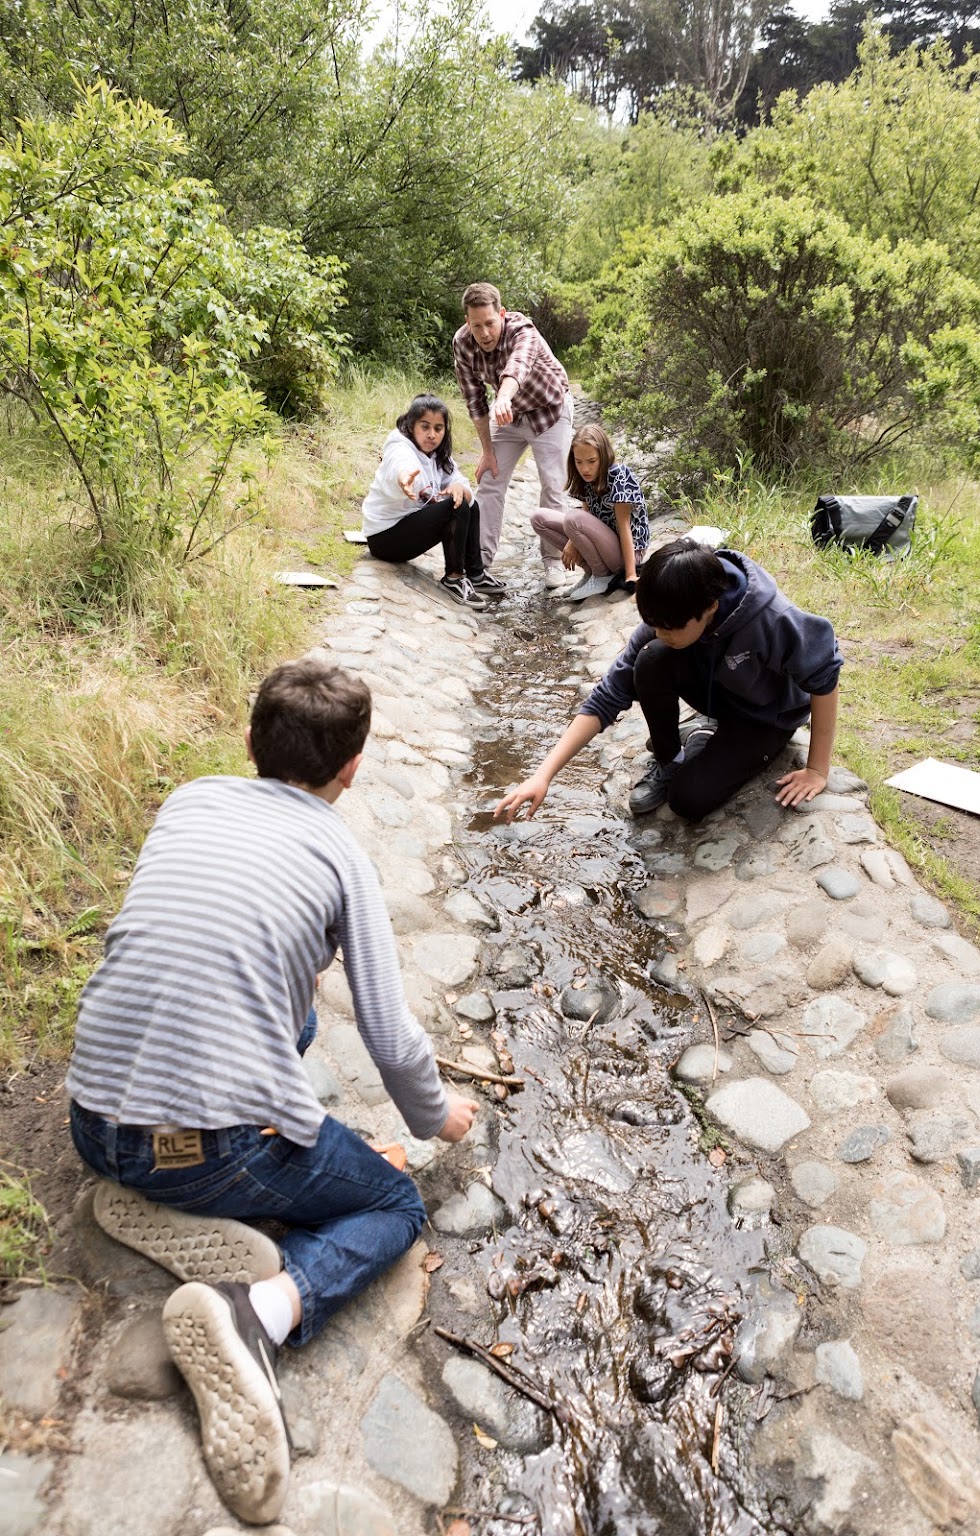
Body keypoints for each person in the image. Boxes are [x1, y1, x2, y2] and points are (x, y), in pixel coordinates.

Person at [66, 659, 478, 1525]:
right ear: (354, 768)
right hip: (208, 1149)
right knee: (396, 1205)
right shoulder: (341, 857)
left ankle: (177, 1198)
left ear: (249, 741)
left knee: (271, 1014)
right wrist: (438, 1116)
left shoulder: (189, 800)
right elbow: (388, 1031)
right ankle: (257, 1312)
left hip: (92, 1119)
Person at [495, 538, 842, 824]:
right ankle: (670, 758)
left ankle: (709, 736)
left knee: (688, 801)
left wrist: (816, 769)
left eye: (670, 628)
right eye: (654, 625)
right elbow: (607, 696)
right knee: (650, 659)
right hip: (720, 690)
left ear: (709, 609)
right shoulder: (671, 610)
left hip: (763, 717)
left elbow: (825, 674)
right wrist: (543, 775)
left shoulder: (772, 619)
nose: (659, 633)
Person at [453, 281, 574, 576]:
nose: (484, 333)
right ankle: (479, 562)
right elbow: (474, 400)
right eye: (476, 325)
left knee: (553, 483)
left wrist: (504, 396)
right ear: (467, 321)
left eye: (490, 323)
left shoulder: (523, 331)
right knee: (490, 478)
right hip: (509, 417)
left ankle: (553, 561)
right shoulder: (463, 342)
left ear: (503, 314)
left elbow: (517, 367)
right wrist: (486, 451)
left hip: (550, 411)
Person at [361, 392, 506, 609]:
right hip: (384, 539)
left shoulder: (438, 454)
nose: (431, 435)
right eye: (425, 427)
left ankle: (475, 573)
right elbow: (400, 466)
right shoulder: (399, 446)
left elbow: (456, 478)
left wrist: (460, 486)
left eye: (438, 429)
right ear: (411, 426)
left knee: (467, 500)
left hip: (409, 528)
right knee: (455, 506)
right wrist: (404, 480)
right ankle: (454, 578)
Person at [531, 424, 650, 600]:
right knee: (539, 518)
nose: (585, 469)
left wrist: (631, 574)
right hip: (602, 543)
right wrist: (572, 542)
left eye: (591, 461)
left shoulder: (619, 475)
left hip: (627, 553)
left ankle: (601, 576)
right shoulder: (585, 477)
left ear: (603, 456)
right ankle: (591, 573)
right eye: (579, 462)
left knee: (572, 518)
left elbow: (624, 527)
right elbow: (587, 516)